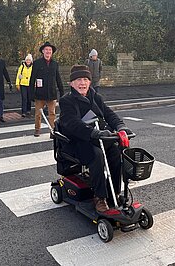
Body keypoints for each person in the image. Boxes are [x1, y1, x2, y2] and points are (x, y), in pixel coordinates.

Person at [58, 65, 133, 213]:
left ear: (90, 82)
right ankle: (99, 197)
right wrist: (93, 133)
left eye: (85, 79)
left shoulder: (95, 97)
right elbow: (73, 123)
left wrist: (120, 126)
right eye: (78, 79)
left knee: (116, 152)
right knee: (97, 155)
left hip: (98, 137)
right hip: (77, 142)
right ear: (71, 83)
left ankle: (114, 192)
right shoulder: (67, 101)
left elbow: (109, 114)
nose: (82, 83)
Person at [29, 41, 64, 137]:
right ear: (43, 51)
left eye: (50, 50)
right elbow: (32, 79)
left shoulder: (55, 64)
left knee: (52, 114)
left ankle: (52, 131)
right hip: (39, 94)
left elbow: (58, 78)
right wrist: (31, 93)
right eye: (46, 50)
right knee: (38, 114)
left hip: (51, 94)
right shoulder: (36, 63)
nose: (48, 51)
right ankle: (37, 129)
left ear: (52, 52)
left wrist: (62, 92)